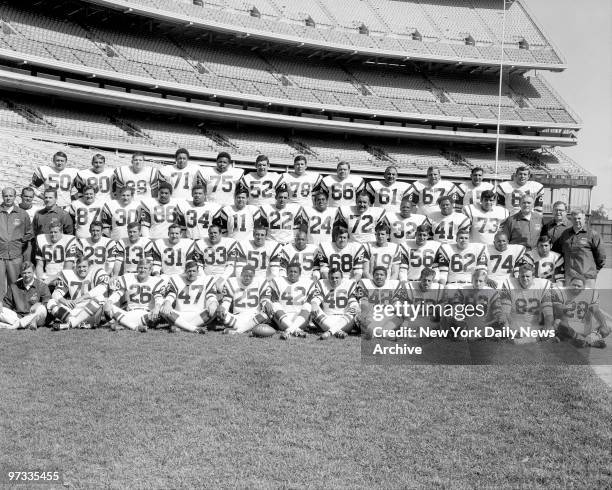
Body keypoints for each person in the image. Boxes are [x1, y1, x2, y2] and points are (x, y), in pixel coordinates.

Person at [47, 255, 110, 330]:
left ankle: (71, 323)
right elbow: (56, 293)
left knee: (100, 298)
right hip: (74, 308)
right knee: (51, 302)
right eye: (79, 267)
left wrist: (81, 298)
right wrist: (64, 301)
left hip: (90, 309)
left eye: (84, 266)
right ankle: (77, 323)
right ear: (76, 267)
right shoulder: (69, 275)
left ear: (89, 266)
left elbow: (101, 288)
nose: (81, 269)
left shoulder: (96, 272)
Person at [499, 262, 554, 343]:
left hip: (535, 328)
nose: (525, 279)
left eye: (527, 276)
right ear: (518, 277)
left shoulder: (542, 285)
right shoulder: (509, 284)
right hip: (515, 328)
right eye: (522, 276)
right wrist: (508, 330)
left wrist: (546, 330)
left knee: (551, 329)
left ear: (533, 277)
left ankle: (523, 341)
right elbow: (505, 312)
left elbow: (548, 314)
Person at [104, 259, 165, 332]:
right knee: (106, 304)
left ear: (150, 270)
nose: (142, 270)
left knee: (154, 315)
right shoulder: (128, 278)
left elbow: (159, 297)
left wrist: (157, 307)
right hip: (130, 312)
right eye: (140, 267)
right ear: (137, 268)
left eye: (145, 268)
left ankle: (124, 324)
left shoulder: (155, 281)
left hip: (146, 313)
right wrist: (110, 301)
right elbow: (118, 293)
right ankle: (135, 327)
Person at [159, 260, 218, 333]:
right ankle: (194, 329)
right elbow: (171, 295)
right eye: (189, 271)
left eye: (194, 271)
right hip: (179, 315)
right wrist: (167, 303)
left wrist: (213, 303)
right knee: (162, 308)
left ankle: (182, 327)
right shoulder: (176, 279)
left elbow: (211, 296)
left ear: (198, 271)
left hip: (198, 315)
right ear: (185, 271)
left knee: (216, 309)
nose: (191, 273)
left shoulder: (205, 280)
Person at [553, 276, 610, 348]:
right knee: (560, 324)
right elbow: (560, 313)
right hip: (566, 323)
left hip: (581, 325)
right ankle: (589, 342)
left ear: (583, 287)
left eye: (578, 286)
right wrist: (567, 327)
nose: (576, 287)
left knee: (608, 326)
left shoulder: (591, 294)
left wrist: (603, 325)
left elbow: (596, 310)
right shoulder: (560, 293)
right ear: (569, 285)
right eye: (574, 285)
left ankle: (583, 341)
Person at [553, 210, 606, 288]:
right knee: (570, 299)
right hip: (570, 277)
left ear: (584, 219)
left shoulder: (592, 234)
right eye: (574, 219)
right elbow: (557, 252)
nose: (577, 221)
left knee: (586, 299)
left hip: (587, 277)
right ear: (571, 220)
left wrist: (593, 271)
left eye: (579, 218)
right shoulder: (565, 234)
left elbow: (601, 256)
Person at [264, 262, 314, 339]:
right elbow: (271, 297)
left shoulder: (308, 283)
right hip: (282, 317)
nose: (292, 274)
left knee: (308, 305)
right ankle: (296, 330)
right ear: (287, 272)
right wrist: (267, 301)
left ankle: (289, 331)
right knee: (275, 304)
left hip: (300, 318)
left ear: (300, 274)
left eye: (295, 272)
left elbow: (312, 300)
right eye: (290, 271)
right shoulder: (278, 281)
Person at [217, 265, 272, 334]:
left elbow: (265, 299)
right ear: (241, 274)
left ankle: (238, 331)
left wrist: (267, 303)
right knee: (221, 312)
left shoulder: (260, 282)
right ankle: (248, 328)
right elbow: (227, 301)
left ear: (254, 276)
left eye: (250, 276)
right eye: (245, 275)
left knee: (266, 314)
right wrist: (223, 307)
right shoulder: (232, 282)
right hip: (237, 317)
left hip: (254, 316)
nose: (247, 278)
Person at [0, 187, 33, 300]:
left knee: (15, 284)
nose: (8, 198)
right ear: (2, 196)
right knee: (0, 286)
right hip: (0, 255)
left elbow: (29, 233)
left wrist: (18, 243)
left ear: (15, 197)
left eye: (10, 196)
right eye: (5, 196)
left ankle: (14, 307)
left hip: (15, 256)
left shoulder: (22, 214)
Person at [311, 267, 360, 340]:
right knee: (313, 309)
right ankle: (338, 332)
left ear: (342, 278)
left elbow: (353, 301)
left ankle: (331, 332)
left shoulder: (349, 284)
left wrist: (355, 307)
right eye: (332, 278)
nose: (334, 280)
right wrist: (314, 304)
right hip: (326, 320)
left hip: (344, 321)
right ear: (328, 277)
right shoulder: (322, 284)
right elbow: (317, 299)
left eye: (337, 278)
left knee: (353, 310)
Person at [356, 265, 405, 338]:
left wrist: (398, 309)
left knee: (399, 316)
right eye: (376, 274)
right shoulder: (365, 283)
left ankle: (382, 332)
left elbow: (396, 302)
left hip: (387, 316)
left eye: (381, 275)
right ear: (372, 276)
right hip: (371, 315)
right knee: (359, 316)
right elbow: (363, 303)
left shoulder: (393, 285)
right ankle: (382, 333)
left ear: (386, 277)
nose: (379, 277)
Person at [0, 261, 49, 330]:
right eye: (24, 273)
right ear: (21, 273)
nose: (26, 275)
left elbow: (48, 302)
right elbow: (7, 304)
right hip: (18, 317)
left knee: (42, 309)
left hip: (36, 318)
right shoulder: (14, 286)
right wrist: (1, 304)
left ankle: (14, 326)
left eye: (29, 272)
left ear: (34, 272)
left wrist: (40, 303)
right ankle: (25, 324)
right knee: (1, 310)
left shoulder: (42, 285)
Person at [35, 219, 77, 286]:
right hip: (46, 275)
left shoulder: (69, 240)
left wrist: (50, 280)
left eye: (55, 232)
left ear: (61, 232)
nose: (53, 234)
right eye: (51, 232)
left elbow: (67, 269)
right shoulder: (42, 239)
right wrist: (40, 278)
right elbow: (39, 265)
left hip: (62, 276)